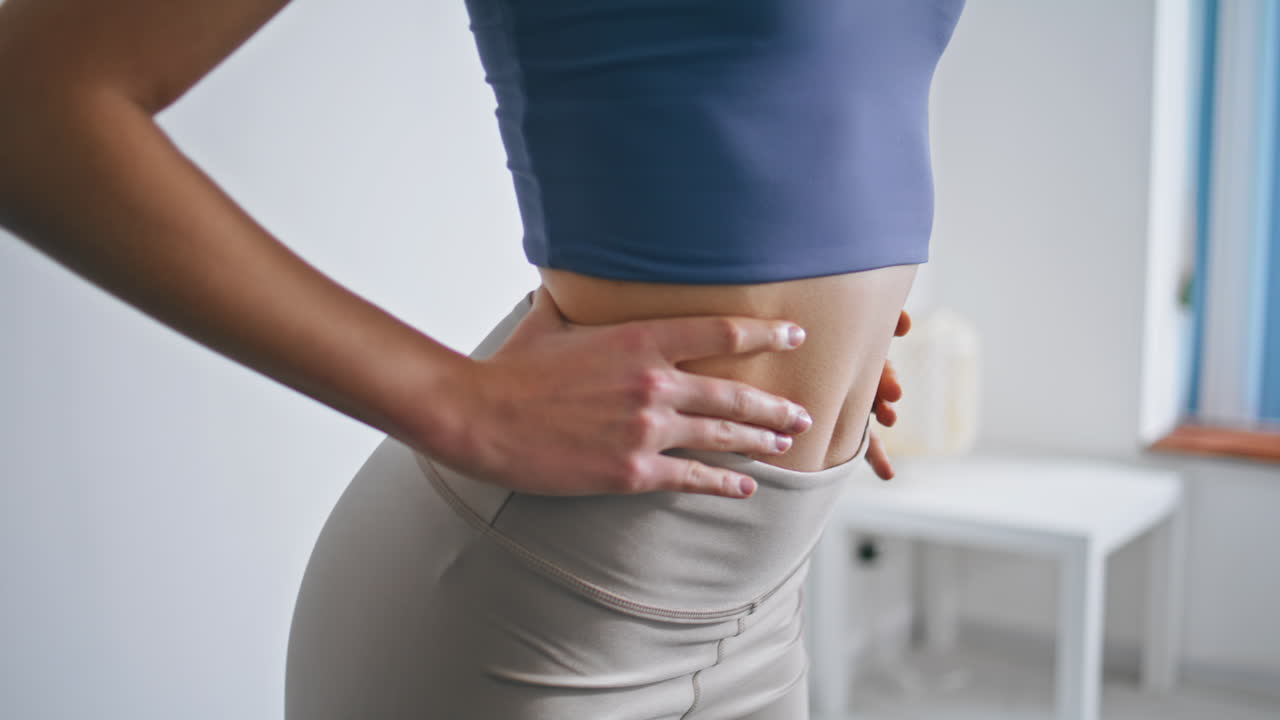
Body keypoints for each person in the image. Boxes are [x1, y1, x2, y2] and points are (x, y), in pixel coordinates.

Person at [0, 0, 962, 717]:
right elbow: (29, 102)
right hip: (534, 615)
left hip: (765, 606)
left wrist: (838, 333)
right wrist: (459, 403)